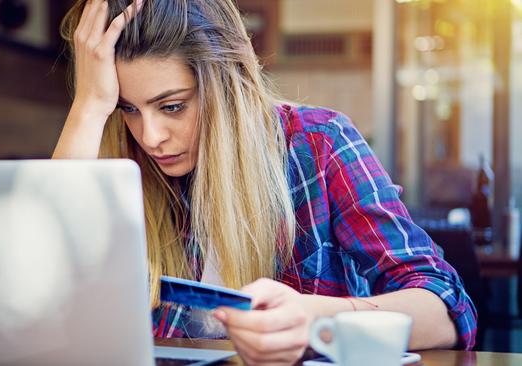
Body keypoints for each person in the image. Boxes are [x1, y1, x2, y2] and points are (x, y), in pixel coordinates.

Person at [53, 0, 477, 364]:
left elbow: (446, 307)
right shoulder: (121, 166)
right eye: (127, 109)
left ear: (228, 83)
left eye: (173, 106)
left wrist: (316, 319)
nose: (150, 137)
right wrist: (88, 109)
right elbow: (42, 302)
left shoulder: (319, 143)